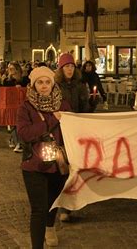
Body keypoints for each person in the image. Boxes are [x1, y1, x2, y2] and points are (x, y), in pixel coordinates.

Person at [16, 66, 71, 248]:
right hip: (34, 166)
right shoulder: (26, 107)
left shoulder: (63, 105)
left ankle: (50, 226)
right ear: (33, 85)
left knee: (53, 202)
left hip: (59, 163)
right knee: (38, 209)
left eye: (48, 82)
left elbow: (73, 130)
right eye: (40, 82)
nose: (44, 86)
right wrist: (51, 120)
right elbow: (24, 133)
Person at [55, 53, 90, 222]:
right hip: (60, 132)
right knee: (62, 168)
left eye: (71, 66)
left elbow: (85, 110)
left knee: (75, 168)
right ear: (61, 69)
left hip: (77, 132)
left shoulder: (80, 86)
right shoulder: (56, 86)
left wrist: (91, 103)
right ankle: (61, 203)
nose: (69, 69)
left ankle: (68, 205)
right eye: (66, 66)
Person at [2, 62, 30, 152]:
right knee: (13, 123)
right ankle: (18, 143)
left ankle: (14, 139)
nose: (10, 71)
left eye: (12, 69)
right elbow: (4, 90)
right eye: (9, 69)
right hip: (11, 104)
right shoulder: (7, 80)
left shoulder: (24, 79)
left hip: (22, 105)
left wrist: (21, 87)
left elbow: (28, 88)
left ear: (17, 69)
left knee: (20, 124)